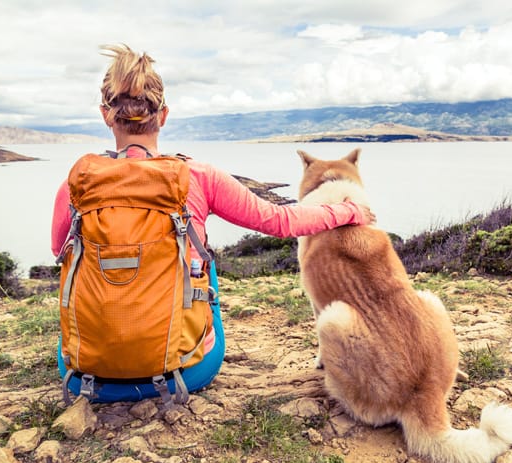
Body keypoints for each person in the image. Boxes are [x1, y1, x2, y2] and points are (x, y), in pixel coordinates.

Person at [50, 44, 375, 402]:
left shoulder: (77, 183)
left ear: (105, 115)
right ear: (164, 115)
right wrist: (348, 211)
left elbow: (58, 251)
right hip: (184, 372)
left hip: (84, 375)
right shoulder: (198, 176)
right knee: (201, 260)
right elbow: (280, 221)